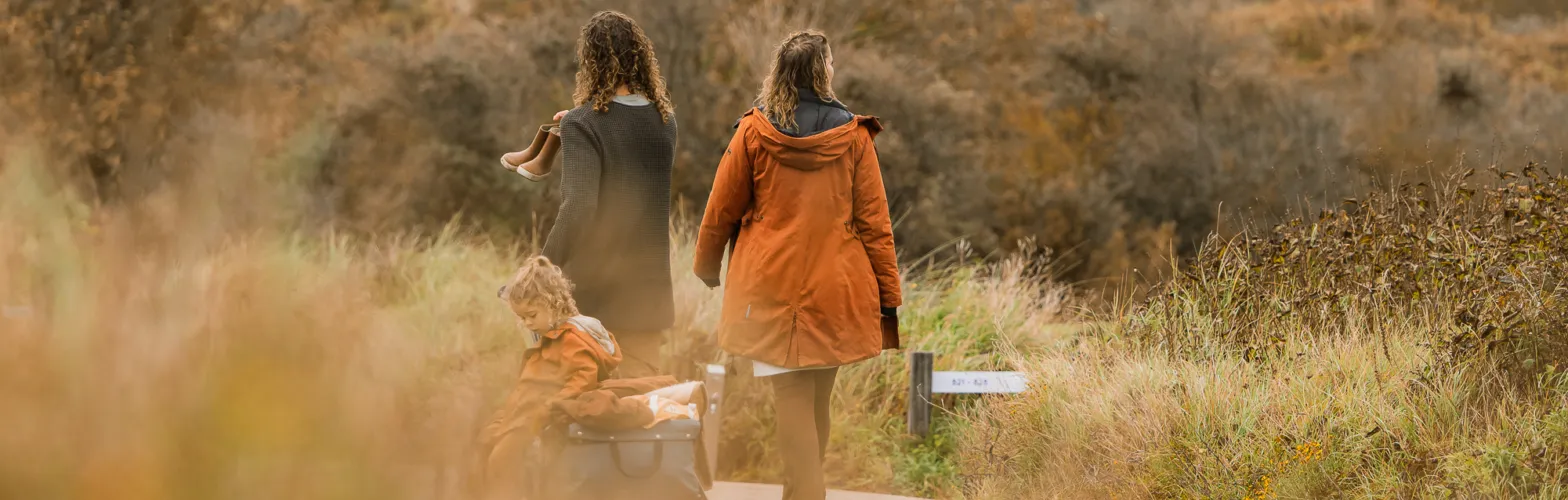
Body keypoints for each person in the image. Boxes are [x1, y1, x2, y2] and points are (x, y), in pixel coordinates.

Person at [692, 30, 901, 500]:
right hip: (836, 286)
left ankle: (807, 493)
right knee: (817, 398)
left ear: (781, 73)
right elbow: (874, 223)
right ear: (823, 71)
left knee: (790, 399)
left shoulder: (754, 131)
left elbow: (721, 206)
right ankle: (803, 492)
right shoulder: (854, 137)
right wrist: (888, 296)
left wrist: (707, 265)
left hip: (769, 286)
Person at [540, 10, 678, 378]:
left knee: (585, 418)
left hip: (596, 303)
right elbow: (626, 134)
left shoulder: (583, 123)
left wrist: (542, 266)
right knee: (642, 416)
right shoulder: (666, 122)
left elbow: (579, 207)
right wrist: (576, 120)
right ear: (640, 58)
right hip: (649, 301)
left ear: (591, 62)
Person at [475, 256, 623, 500]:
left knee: (501, 459)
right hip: (521, 409)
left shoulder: (571, 339)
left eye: (531, 315)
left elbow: (583, 377)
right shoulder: (549, 334)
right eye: (521, 318)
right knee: (483, 442)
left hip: (537, 413)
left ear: (552, 303)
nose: (527, 323)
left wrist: (551, 405)